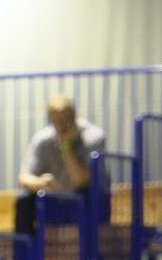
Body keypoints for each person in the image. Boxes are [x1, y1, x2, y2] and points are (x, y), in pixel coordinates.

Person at [16, 95, 106, 237]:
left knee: (87, 194)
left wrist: (66, 146)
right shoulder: (42, 139)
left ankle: (90, 249)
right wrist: (41, 183)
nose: (61, 125)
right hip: (55, 200)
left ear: (74, 116)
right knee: (24, 200)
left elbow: (80, 181)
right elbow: (24, 177)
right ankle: (25, 251)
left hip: (87, 202)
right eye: (56, 120)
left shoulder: (93, 137)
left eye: (65, 119)